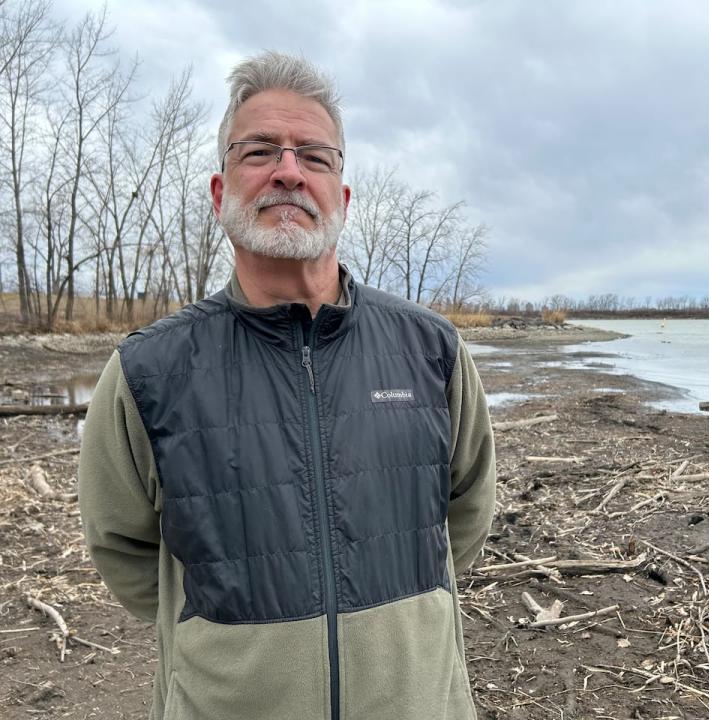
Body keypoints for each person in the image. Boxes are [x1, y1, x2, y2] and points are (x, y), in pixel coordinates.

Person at [78, 51, 496, 720]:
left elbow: (467, 512)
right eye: (260, 151)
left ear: (344, 197)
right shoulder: (148, 371)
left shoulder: (432, 350)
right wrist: (230, 649)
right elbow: (121, 546)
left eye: (315, 157)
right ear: (220, 194)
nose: (288, 172)